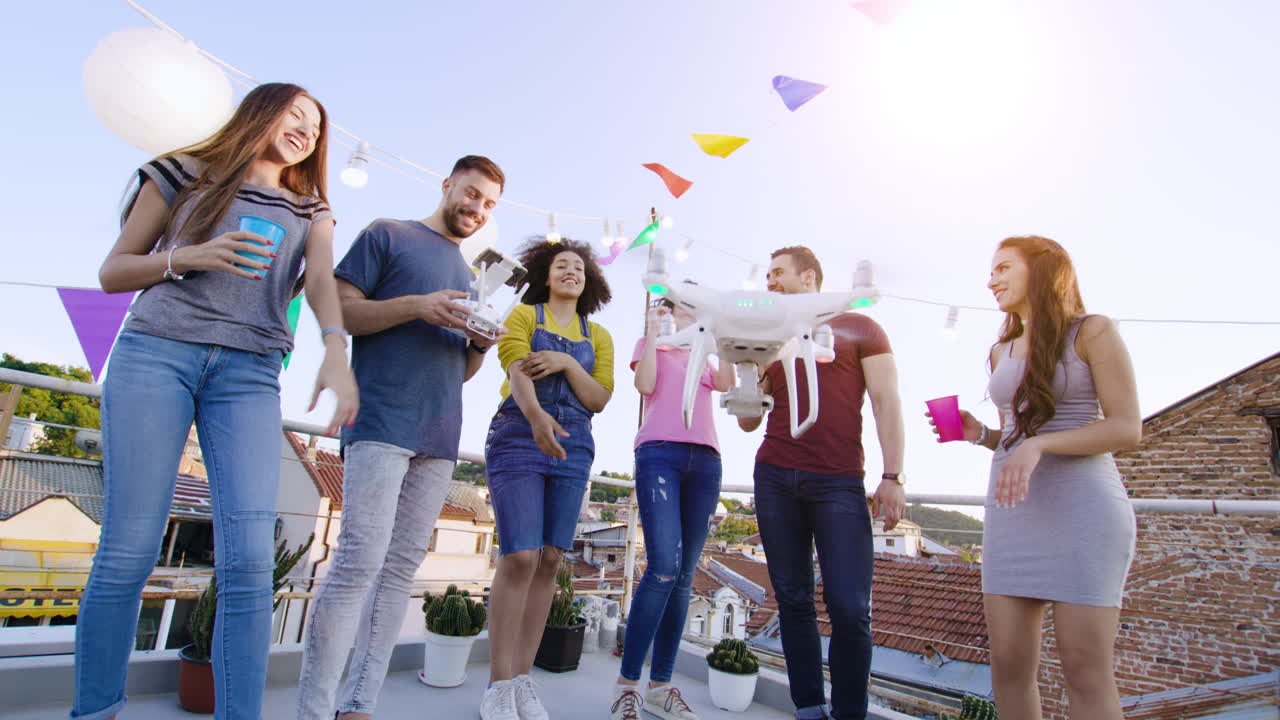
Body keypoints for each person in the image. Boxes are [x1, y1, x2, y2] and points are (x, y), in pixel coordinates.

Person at [79, 82, 358, 720]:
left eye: (316, 127)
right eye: (295, 114)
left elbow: (318, 280)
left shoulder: (312, 207)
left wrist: (335, 349)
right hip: (158, 352)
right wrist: (192, 256)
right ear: (259, 111)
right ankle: (96, 709)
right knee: (130, 546)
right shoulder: (183, 171)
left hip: (251, 371)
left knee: (251, 558)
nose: (306, 132)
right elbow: (113, 271)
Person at [295, 156, 506, 720]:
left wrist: (481, 344)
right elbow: (338, 311)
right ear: (447, 185)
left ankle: (359, 703)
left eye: (488, 203)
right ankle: (313, 710)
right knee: (358, 563)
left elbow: (457, 371)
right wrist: (418, 305)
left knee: (399, 570)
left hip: (440, 435)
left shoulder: (471, 277)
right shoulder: (387, 234)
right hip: (381, 420)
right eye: (471, 193)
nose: (477, 208)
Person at [928, 236, 1139, 720]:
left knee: (1084, 671)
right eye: (991, 270)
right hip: (1012, 514)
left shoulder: (1092, 331)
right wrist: (981, 433)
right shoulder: (1001, 351)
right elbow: (1017, 435)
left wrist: (1040, 445)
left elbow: (1127, 427)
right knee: (1008, 670)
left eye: (1003, 267)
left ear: (1041, 271)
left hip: (1084, 510)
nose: (991, 280)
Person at [737, 246, 906, 720]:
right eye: (767, 274)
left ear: (809, 278)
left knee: (850, 606)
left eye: (778, 273)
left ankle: (848, 713)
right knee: (792, 599)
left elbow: (886, 401)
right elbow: (748, 423)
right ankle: (809, 708)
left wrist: (892, 474)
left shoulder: (860, 328)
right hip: (774, 477)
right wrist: (746, 366)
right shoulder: (769, 336)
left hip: (838, 482)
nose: (769, 282)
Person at [480, 237, 614, 720]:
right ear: (546, 274)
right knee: (519, 555)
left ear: (588, 280)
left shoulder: (597, 336)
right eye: (561, 265)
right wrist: (535, 415)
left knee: (551, 558)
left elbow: (599, 398)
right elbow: (517, 369)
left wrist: (567, 362)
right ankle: (496, 685)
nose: (570, 271)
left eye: (578, 266)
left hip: (576, 442)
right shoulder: (523, 317)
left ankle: (521, 680)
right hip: (519, 431)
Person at [610, 297, 736, 720]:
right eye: (678, 306)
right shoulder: (653, 344)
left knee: (683, 577)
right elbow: (644, 386)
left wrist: (725, 338)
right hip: (659, 455)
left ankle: (662, 685)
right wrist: (650, 332)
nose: (684, 312)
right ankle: (627, 685)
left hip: (707, 461)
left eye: (691, 307)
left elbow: (726, 385)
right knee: (663, 566)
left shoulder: (704, 353)